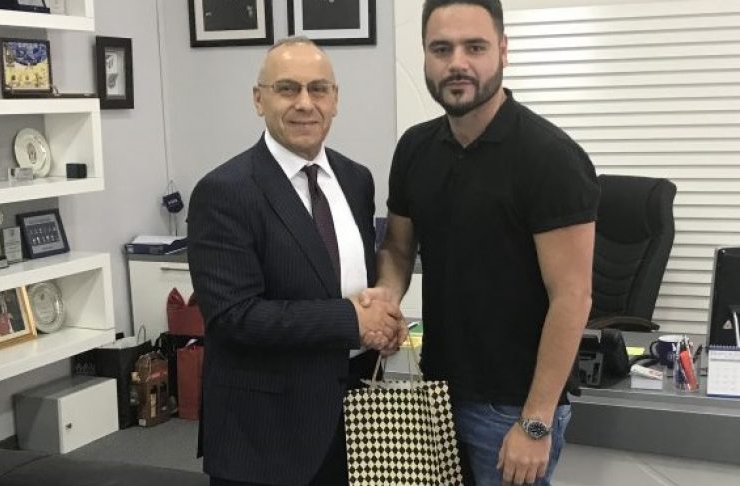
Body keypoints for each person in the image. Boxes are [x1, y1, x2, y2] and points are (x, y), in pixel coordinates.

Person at [362, 1, 601, 485]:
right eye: (441, 49)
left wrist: (536, 422)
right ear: (425, 56)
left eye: (475, 47)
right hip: (436, 392)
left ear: (503, 51)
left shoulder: (550, 158)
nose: (457, 63)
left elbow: (573, 297)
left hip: (511, 408)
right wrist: (386, 298)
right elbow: (399, 249)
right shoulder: (414, 149)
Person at [187, 37, 404, 486]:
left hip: (354, 421)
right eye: (287, 89)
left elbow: (348, 281)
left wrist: (382, 319)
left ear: (335, 99)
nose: (305, 103)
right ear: (258, 99)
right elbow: (233, 316)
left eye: (318, 89)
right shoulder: (224, 191)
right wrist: (353, 321)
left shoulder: (356, 179)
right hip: (265, 436)